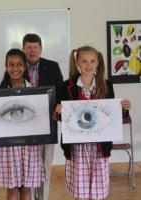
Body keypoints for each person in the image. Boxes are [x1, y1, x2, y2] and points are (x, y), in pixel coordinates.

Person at [54, 46, 131, 200]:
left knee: (97, 192)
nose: (88, 65)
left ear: (98, 62)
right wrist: (59, 111)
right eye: (84, 61)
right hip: (77, 148)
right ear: (77, 62)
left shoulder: (106, 85)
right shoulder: (65, 86)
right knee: (80, 192)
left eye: (92, 61)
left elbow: (112, 116)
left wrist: (123, 109)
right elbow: (61, 118)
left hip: (99, 147)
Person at [0, 48, 46, 200]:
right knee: (12, 190)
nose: (15, 68)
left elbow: (39, 120)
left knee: (26, 190)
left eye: (19, 64)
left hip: (29, 146)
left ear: (25, 67)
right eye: (11, 64)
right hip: (7, 147)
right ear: (6, 66)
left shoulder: (34, 91)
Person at [22, 33, 63, 200]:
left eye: (35, 47)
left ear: (41, 48)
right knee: (30, 167)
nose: (32, 51)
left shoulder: (52, 66)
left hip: (48, 123)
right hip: (25, 126)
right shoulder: (18, 66)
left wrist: (58, 111)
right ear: (23, 49)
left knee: (45, 166)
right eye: (29, 47)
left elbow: (59, 92)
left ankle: (43, 198)